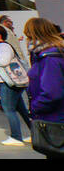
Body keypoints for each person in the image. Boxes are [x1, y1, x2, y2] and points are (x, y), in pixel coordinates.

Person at [25, 17, 64, 159]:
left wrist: (35, 108)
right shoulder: (52, 54)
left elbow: (52, 93)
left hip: (55, 118)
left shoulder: (50, 57)